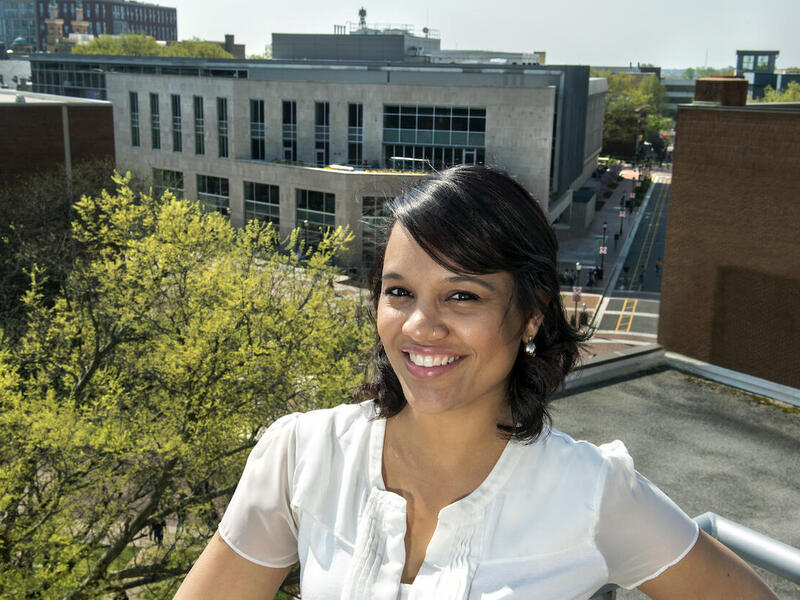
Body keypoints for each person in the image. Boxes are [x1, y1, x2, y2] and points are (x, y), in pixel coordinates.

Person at [174, 165, 777, 600]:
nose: (420, 325)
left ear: (532, 313)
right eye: (398, 292)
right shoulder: (302, 453)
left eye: (463, 295)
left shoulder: (593, 494)